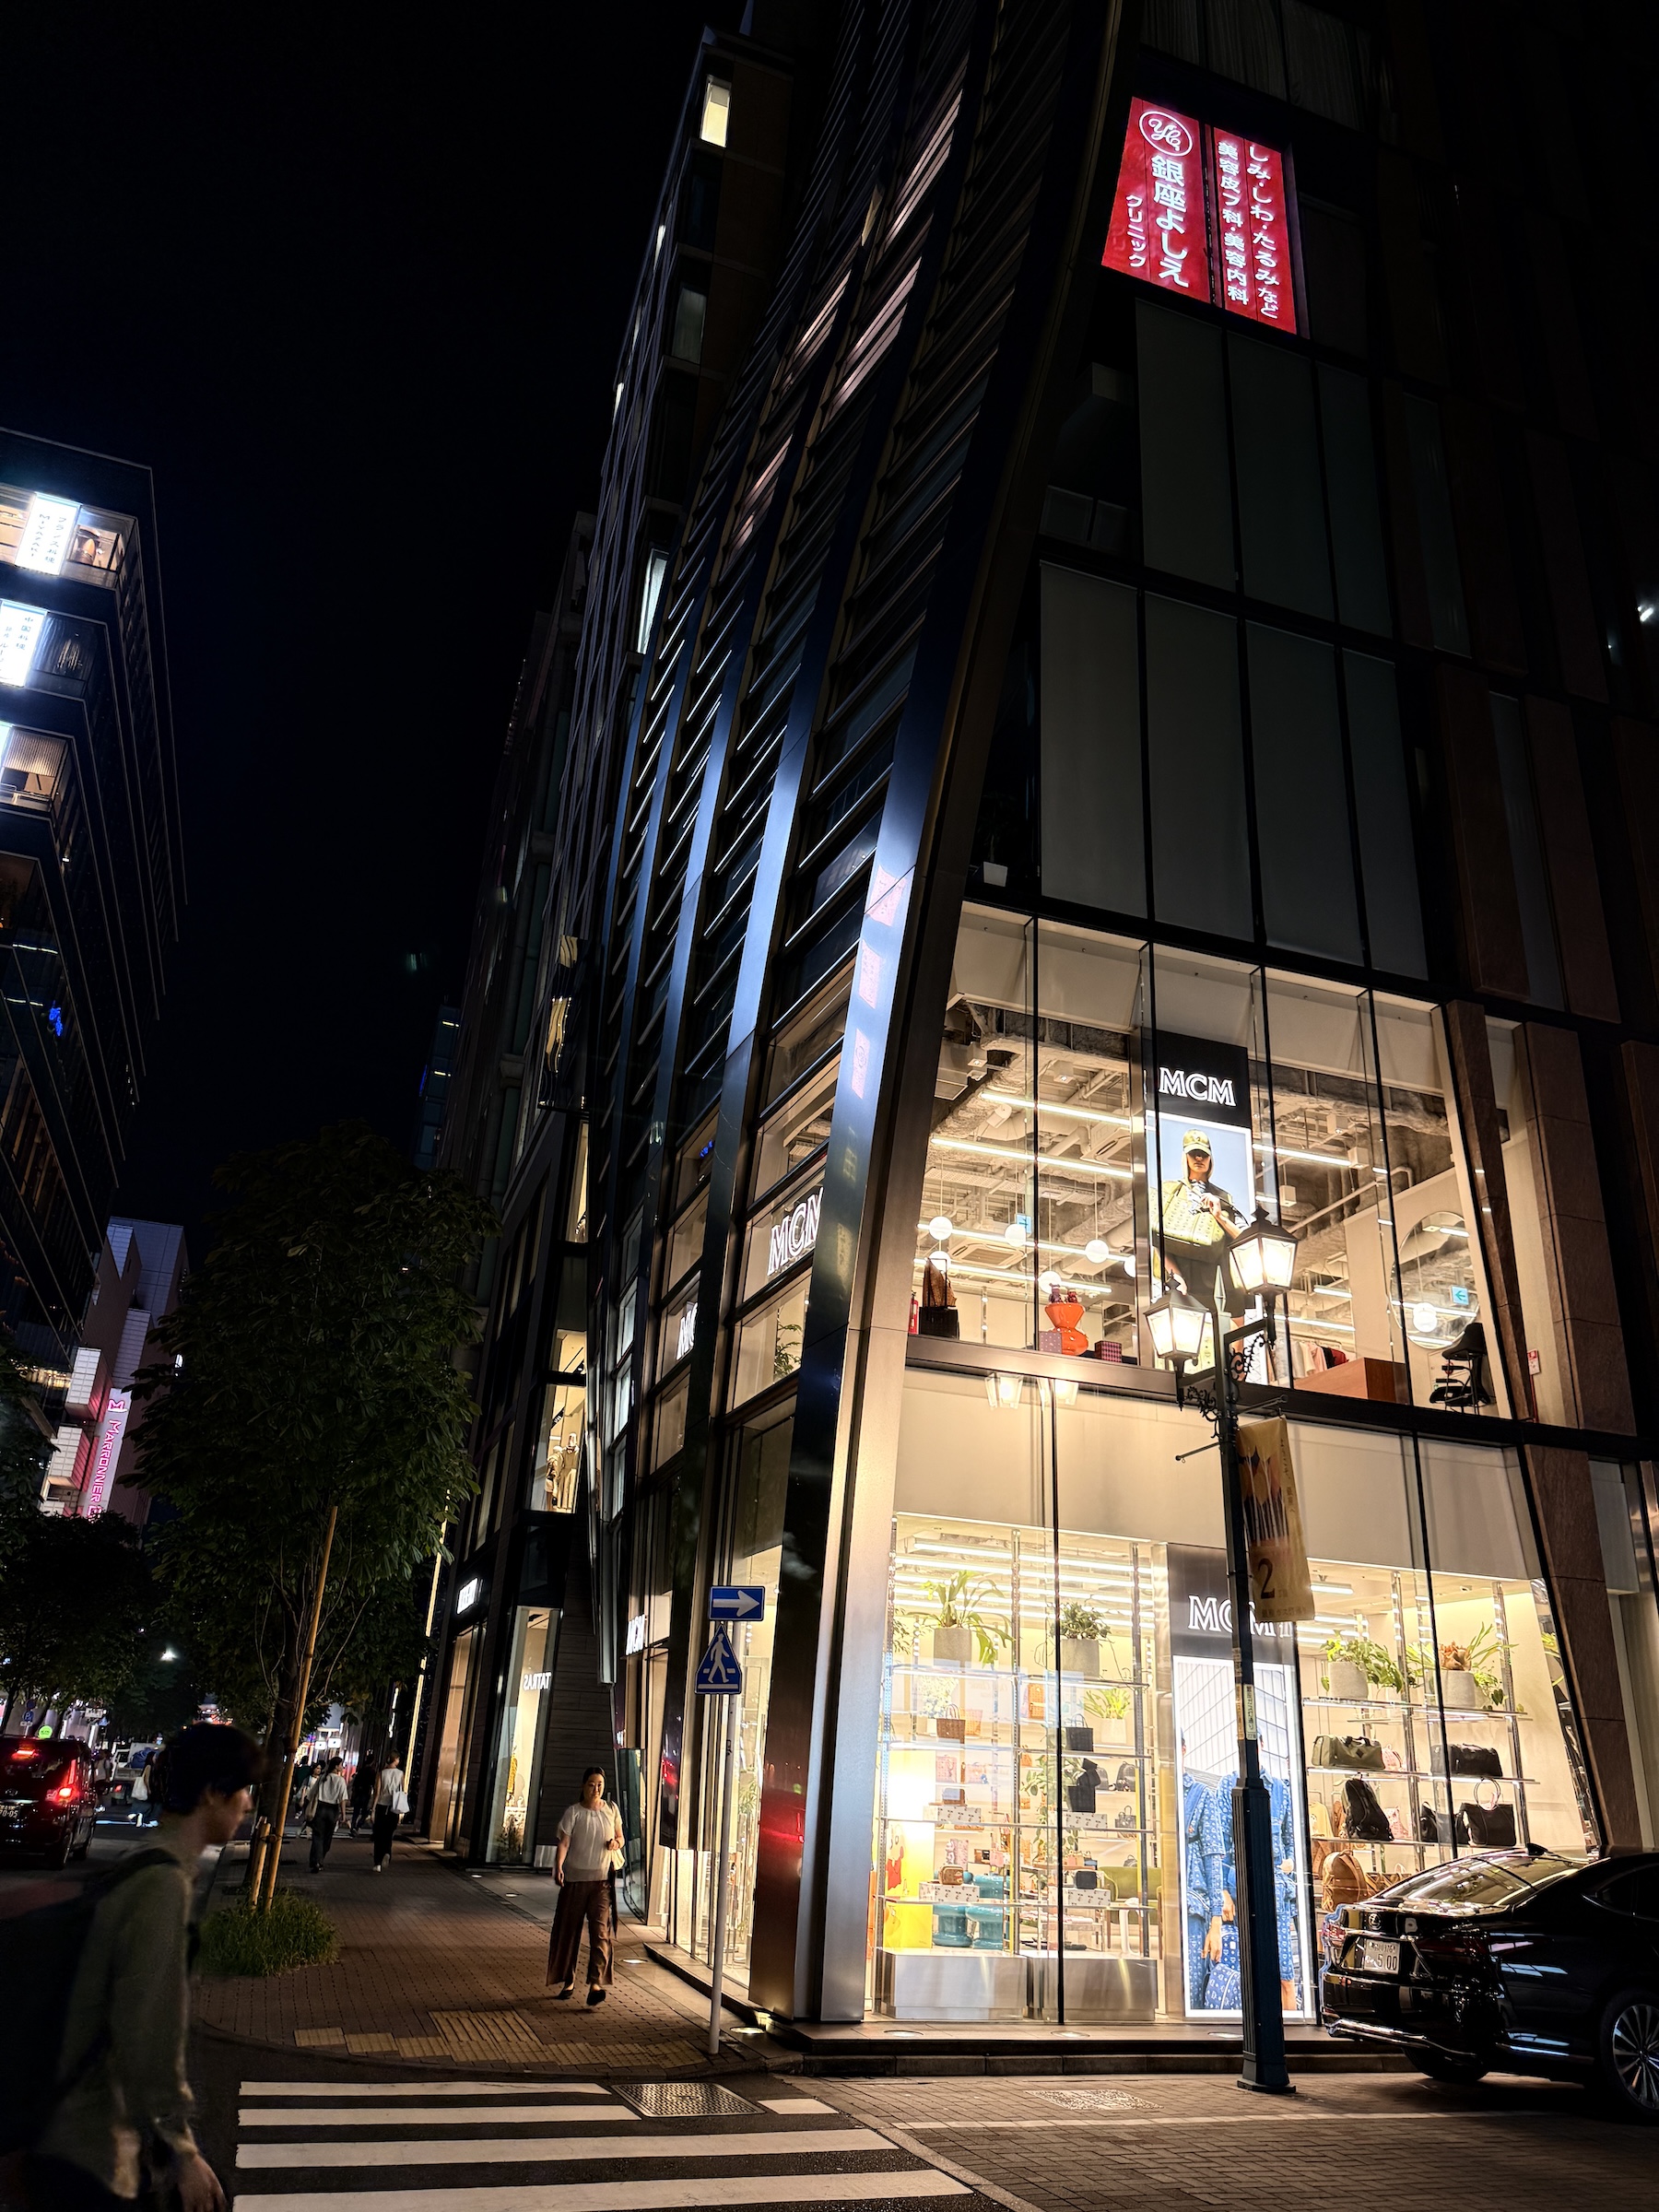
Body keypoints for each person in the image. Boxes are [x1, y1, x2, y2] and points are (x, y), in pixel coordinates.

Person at [29, 1721, 262, 2212]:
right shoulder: (161, 1885)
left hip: (74, 2132)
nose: (247, 1804)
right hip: (97, 2148)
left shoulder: (143, 1862)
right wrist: (182, 2151)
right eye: (242, 1789)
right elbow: (147, 2030)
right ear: (211, 1794)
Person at [546, 1768, 623, 2006]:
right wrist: (559, 1866)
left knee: (600, 1932)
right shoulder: (574, 1812)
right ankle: (568, 1979)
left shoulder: (611, 1810)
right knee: (569, 1931)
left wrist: (615, 1843)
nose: (596, 1789)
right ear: (583, 1786)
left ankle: (596, 1983)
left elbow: (621, 1837)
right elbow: (564, 1842)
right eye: (591, 1784)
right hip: (575, 1881)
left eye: (600, 1784)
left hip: (602, 1882)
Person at [1159, 1130, 1249, 1317]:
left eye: (1203, 1154)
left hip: (1221, 1281)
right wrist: (1176, 1276)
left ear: (1210, 1158)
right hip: (1185, 1280)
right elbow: (1157, 1240)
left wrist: (1220, 1217)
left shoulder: (1224, 1198)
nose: (1199, 1159)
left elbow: (1245, 1239)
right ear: (1185, 1157)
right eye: (1194, 1154)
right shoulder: (1170, 1191)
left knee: (1232, 1326)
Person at [304, 1755, 347, 1873]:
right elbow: (343, 1799)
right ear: (336, 1766)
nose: (342, 1767)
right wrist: (343, 1814)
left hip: (320, 1807)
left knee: (318, 1835)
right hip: (333, 1810)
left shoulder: (323, 1778)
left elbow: (311, 1794)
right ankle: (320, 1860)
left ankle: (316, 1861)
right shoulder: (341, 1780)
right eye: (341, 1765)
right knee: (327, 1837)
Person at [370, 1756, 406, 1873]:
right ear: (395, 1760)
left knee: (379, 1835)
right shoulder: (400, 1774)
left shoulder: (382, 1773)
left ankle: (377, 1863)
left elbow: (377, 1792)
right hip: (393, 1807)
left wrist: (373, 1809)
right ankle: (387, 1853)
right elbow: (402, 1791)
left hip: (381, 1806)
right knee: (389, 1834)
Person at [348, 1759, 375, 1835]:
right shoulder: (372, 1771)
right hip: (366, 1793)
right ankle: (358, 1825)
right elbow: (373, 1783)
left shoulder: (361, 1770)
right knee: (365, 1812)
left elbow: (355, 1783)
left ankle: (353, 1826)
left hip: (358, 1793)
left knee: (356, 1811)